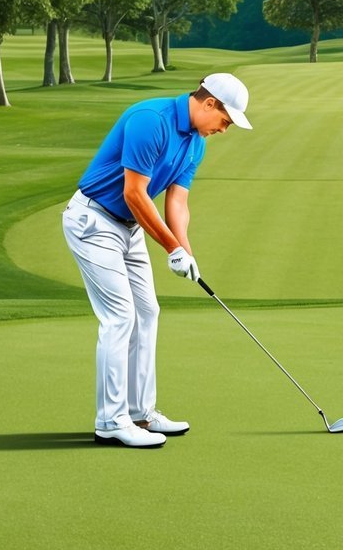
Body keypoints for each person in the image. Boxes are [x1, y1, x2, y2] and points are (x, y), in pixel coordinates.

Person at [62, 73, 253, 447]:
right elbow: (133, 192)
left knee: (147, 312)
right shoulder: (151, 120)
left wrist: (185, 248)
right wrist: (170, 248)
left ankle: (140, 414)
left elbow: (177, 201)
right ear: (209, 103)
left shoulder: (196, 143)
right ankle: (111, 421)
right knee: (120, 317)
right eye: (225, 121)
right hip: (94, 220)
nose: (224, 129)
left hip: (130, 228)